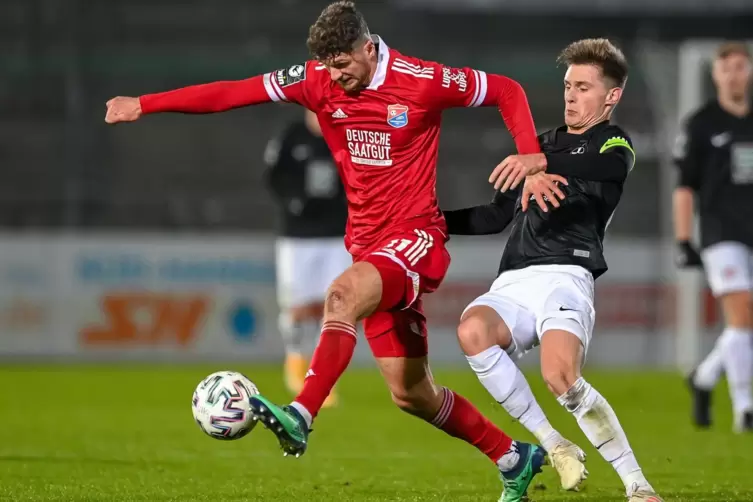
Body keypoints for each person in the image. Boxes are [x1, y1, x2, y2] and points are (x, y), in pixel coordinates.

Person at [104, 2, 565, 499]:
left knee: (341, 296)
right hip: (368, 245)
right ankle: (515, 457)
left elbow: (505, 89)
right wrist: (145, 104)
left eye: (342, 63)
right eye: (326, 66)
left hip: (415, 238)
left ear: (368, 49)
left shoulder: (421, 79)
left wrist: (529, 152)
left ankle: (301, 414)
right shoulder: (317, 78)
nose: (333, 76)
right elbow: (234, 93)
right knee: (411, 393)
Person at [442, 39, 663, 502]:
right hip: (515, 279)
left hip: (568, 274)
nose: (571, 95)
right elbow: (495, 216)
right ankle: (555, 444)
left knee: (560, 376)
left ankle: (637, 484)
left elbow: (606, 166)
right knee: (472, 331)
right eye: (567, 85)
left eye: (583, 87)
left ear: (611, 96)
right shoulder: (540, 144)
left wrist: (538, 162)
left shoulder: (614, 144)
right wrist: (435, 221)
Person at [674, 42, 753, 432]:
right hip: (721, 235)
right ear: (716, 75)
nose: (735, 74)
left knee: (746, 322)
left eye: (741, 67)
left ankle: (704, 377)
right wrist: (684, 239)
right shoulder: (701, 124)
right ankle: (745, 408)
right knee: (741, 315)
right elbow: (685, 186)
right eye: (728, 68)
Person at [265, 109, 350, 407]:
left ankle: (321, 378)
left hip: (337, 234)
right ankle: (295, 360)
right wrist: (294, 201)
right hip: (297, 236)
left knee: (335, 306)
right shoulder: (292, 136)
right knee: (296, 307)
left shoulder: (345, 133)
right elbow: (274, 175)